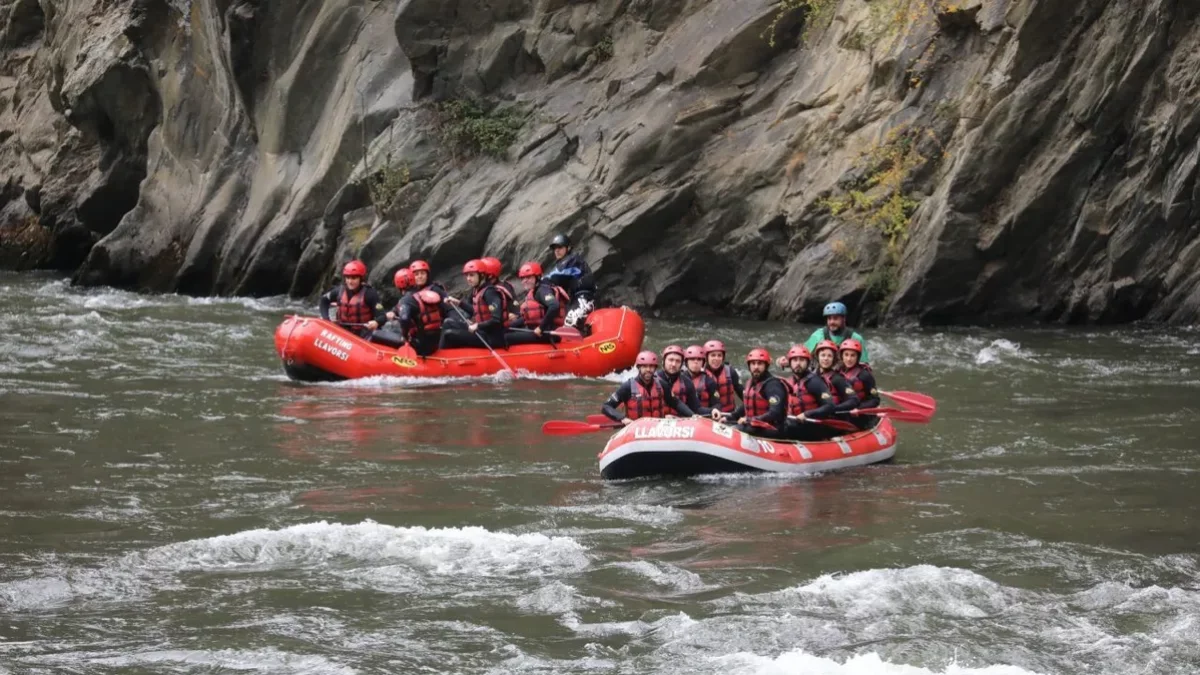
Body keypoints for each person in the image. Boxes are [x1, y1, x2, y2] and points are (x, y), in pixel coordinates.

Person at [711, 348, 790, 439]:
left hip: (772, 429)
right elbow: (746, 406)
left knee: (732, 431)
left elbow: (775, 413)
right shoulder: (751, 383)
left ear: (766, 366)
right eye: (753, 363)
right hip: (755, 426)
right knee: (724, 425)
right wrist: (730, 418)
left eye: (759, 364)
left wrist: (750, 420)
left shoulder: (773, 385)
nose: (756, 367)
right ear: (749, 366)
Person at [602, 350, 694, 424]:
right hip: (636, 430)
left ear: (655, 368)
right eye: (645, 366)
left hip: (657, 429)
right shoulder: (627, 386)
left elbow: (675, 403)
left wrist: (692, 415)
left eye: (651, 367)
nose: (648, 370)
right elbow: (606, 407)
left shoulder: (662, 384)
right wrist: (622, 418)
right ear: (639, 367)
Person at [438, 260, 511, 350]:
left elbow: (496, 320)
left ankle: (441, 359)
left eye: (472, 275)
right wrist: (458, 302)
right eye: (467, 275)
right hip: (482, 332)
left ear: (482, 276)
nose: (468, 278)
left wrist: (477, 326)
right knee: (448, 322)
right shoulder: (478, 290)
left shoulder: (490, 292)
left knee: (449, 334)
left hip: (492, 338)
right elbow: (476, 311)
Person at [779, 345, 837, 441]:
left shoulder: (814, 382)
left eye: (802, 360)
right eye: (795, 360)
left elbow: (830, 406)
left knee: (787, 426)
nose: (798, 363)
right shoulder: (790, 381)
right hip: (795, 422)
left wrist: (807, 414)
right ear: (790, 363)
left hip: (813, 425)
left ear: (808, 363)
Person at [317, 260, 386, 338]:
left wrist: (376, 322)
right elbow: (324, 300)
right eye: (347, 278)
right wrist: (326, 319)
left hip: (362, 334)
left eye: (354, 278)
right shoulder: (339, 291)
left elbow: (382, 316)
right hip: (342, 331)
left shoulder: (370, 294)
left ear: (361, 279)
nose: (350, 281)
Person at [507, 261, 570, 345]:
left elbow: (554, 306)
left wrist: (541, 328)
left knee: (506, 337)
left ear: (537, 277)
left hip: (548, 333)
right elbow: (528, 318)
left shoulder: (542, 290)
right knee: (507, 331)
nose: (524, 281)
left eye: (528, 277)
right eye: (522, 278)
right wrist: (509, 326)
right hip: (540, 331)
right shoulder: (535, 291)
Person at [384, 268, 443, 356]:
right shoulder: (422, 294)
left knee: (377, 334)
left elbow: (404, 318)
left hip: (420, 347)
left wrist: (404, 337)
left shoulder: (405, 300)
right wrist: (394, 311)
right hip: (435, 343)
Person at [546, 234, 597, 334]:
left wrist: (540, 281)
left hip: (584, 298)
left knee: (570, 323)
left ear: (568, 248)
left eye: (560, 247)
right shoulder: (562, 263)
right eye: (555, 248)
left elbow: (555, 276)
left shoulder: (572, 259)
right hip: (574, 299)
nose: (556, 250)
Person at [804, 301, 871, 364]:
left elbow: (864, 364)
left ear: (844, 319)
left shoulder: (856, 339)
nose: (832, 322)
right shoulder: (817, 336)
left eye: (835, 318)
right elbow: (803, 356)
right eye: (829, 318)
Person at [839, 339, 880, 428]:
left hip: (859, 413)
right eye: (846, 355)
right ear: (841, 355)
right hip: (842, 410)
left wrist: (859, 409)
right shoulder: (837, 371)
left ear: (858, 357)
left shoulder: (865, 375)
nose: (849, 359)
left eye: (852, 355)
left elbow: (875, 400)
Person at [655, 345, 707, 415]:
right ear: (664, 361)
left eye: (678, 361)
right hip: (656, 422)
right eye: (671, 360)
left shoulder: (687, 382)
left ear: (682, 364)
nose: (673, 364)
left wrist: (712, 411)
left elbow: (696, 409)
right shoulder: (653, 379)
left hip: (680, 423)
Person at [813, 339, 860, 413]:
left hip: (833, 416)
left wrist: (834, 408)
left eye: (829, 356)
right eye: (823, 355)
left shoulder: (837, 379)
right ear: (817, 357)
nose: (826, 359)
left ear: (833, 359)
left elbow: (854, 400)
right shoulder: (811, 376)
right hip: (813, 414)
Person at [703, 340, 742, 414]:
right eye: (713, 355)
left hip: (728, 415)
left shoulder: (730, 371)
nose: (716, 358)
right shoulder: (700, 373)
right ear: (706, 357)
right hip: (707, 415)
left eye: (719, 355)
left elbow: (743, 394)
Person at [684, 345, 720, 414]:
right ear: (686, 362)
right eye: (692, 359)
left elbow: (717, 404)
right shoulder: (679, 379)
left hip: (703, 417)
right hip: (682, 418)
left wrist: (713, 411)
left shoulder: (709, 381)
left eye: (699, 359)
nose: (696, 362)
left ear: (703, 363)